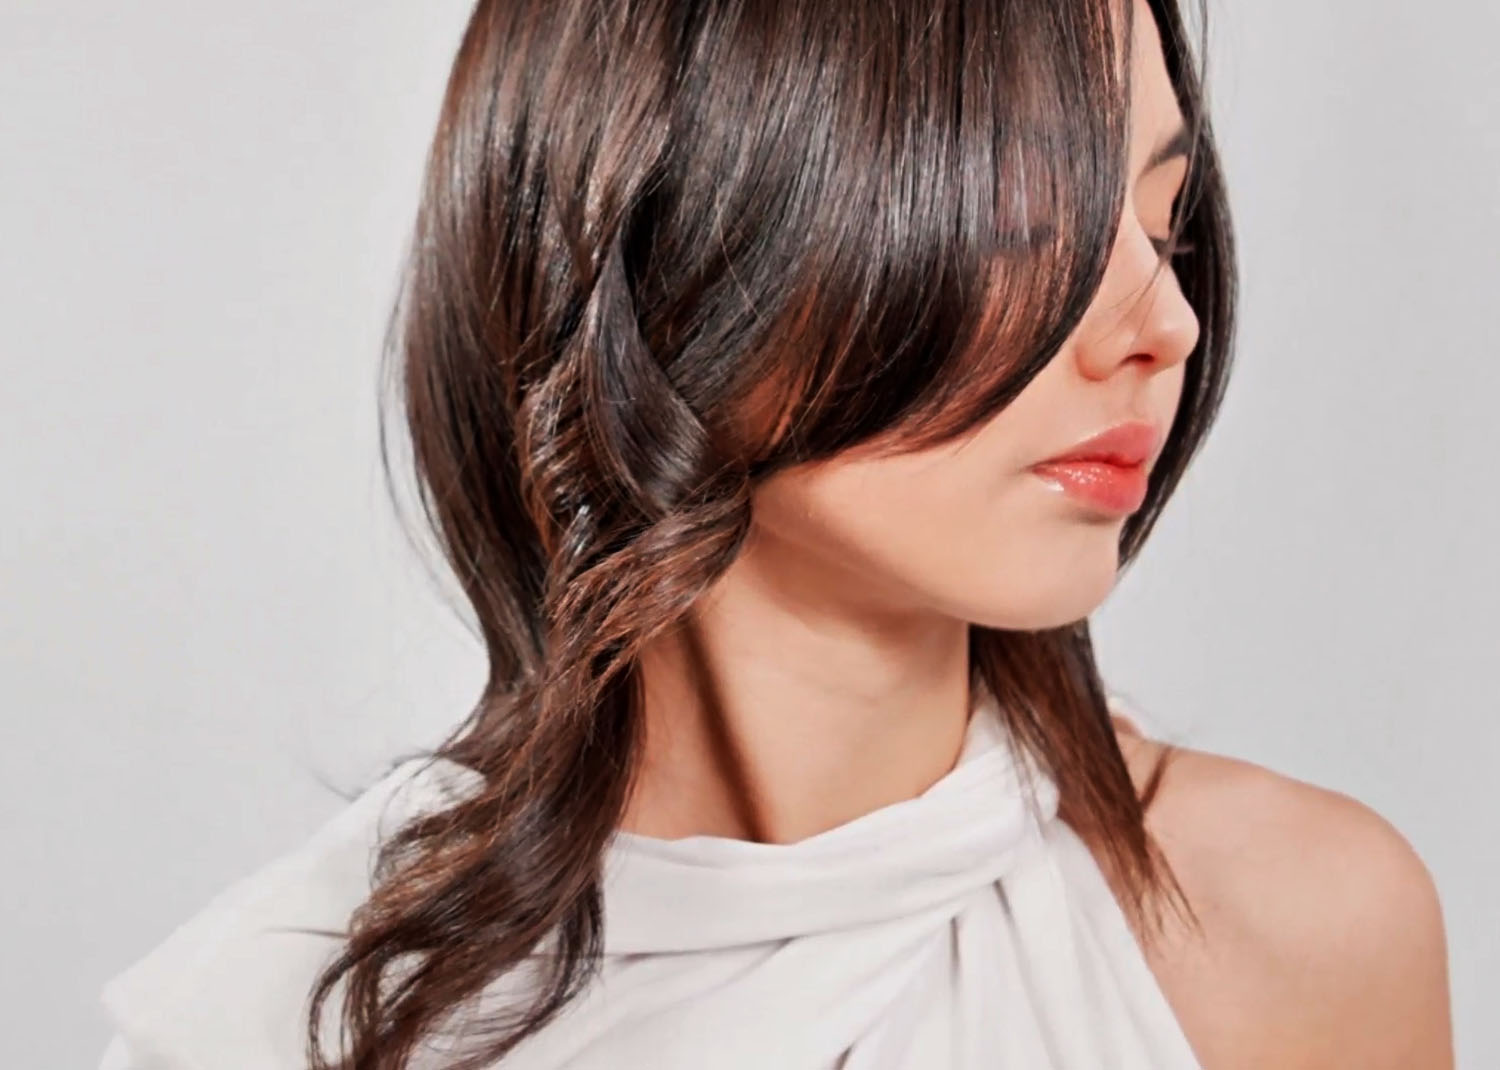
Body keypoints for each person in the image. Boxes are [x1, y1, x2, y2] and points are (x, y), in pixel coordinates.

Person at [96, 0, 1454, 1066]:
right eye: (1019, 207)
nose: (1168, 323)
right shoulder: (277, 1026)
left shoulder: (1293, 935)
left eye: (1162, 225)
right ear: (670, 227)